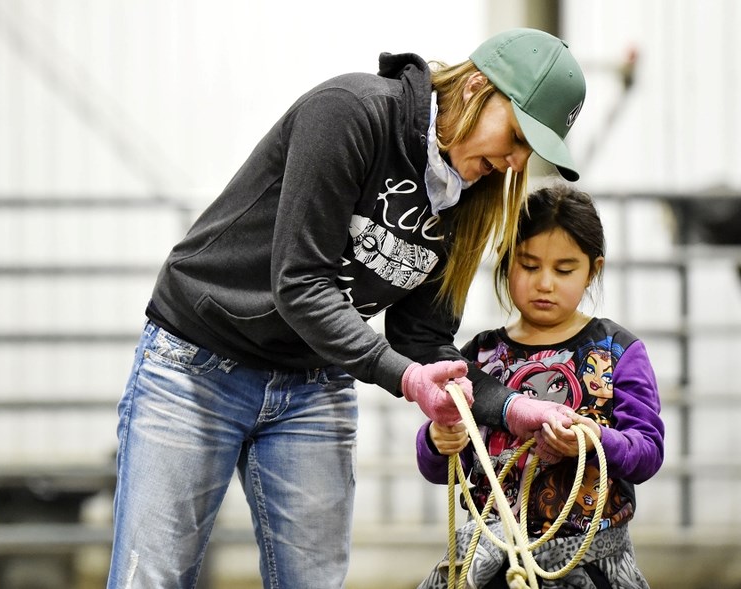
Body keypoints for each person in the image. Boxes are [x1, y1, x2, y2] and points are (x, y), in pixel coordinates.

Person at [107, 28, 587, 589]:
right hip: (200, 362)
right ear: (479, 86)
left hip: (313, 379)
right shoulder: (350, 114)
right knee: (152, 578)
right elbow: (301, 283)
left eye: (531, 151)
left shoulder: (467, 196)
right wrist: (407, 380)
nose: (515, 161)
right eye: (518, 135)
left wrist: (511, 409)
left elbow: (424, 339)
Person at [415, 185, 665, 589]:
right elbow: (437, 467)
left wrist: (594, 441)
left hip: (589, 565)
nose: (545, 283)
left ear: (593, 270)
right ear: (506, 262)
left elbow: (648, 451)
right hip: (494, 562)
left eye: (564, 270)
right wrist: (435, 438)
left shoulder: (619, 351)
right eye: (529, 266)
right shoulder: (475, 357)